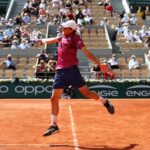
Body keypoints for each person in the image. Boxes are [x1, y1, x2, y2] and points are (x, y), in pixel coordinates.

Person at [38, 20, 115, 136]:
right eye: (63, 28)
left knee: (87, 94)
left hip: (72, 71)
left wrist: (99, 64)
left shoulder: (76, 38)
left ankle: (104, 101)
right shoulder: (62, 37)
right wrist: (42, 40)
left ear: (71, 29)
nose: (62, 29)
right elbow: (52, 40)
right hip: (60, 72)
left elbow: (86, 52)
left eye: (65, 28)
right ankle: (54, 125)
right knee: (54, 98)